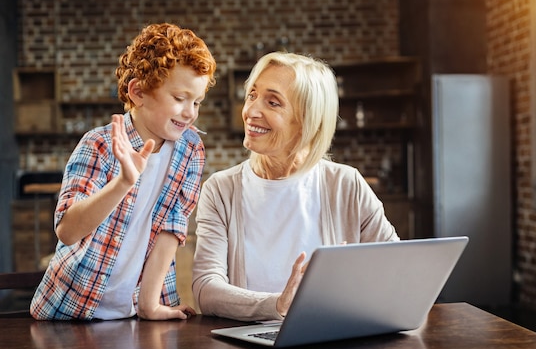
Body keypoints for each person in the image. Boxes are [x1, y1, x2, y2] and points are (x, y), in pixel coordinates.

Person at [192, 52, 399, 322]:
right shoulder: (220, 191)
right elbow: (206, 289)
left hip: (332, 340)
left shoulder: (347, 185)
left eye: (273, 102)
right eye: (252, 95)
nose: (251, 111)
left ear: (307, 122)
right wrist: (277, 305)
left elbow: (395, 271)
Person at [30, 23, 217, 321]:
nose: (189, 112)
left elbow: (172, 227)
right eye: (180, 99)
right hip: (72, 310)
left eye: (196, 102)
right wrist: (123, 183)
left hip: (137, 313)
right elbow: (67, 231)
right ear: (139, 92)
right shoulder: (99, 144)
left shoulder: (190, 149)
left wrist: (149, 305)